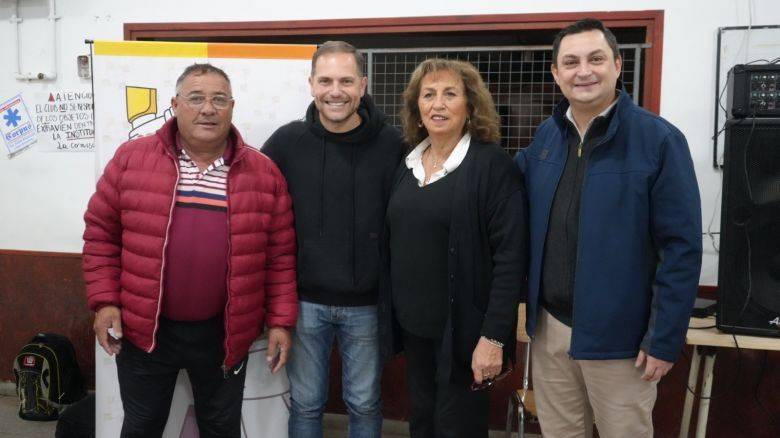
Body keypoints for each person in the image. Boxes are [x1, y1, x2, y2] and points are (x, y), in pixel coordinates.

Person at [82, 63, 298, 438]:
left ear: (232, 107)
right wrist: (104, 302)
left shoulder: (263, 174)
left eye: (219, 99)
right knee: (142, 425)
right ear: (175, 105)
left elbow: (279, 256)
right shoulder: (131, 159)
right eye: (196, 98)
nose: (208, 109)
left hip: (224, 333)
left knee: (220, 427)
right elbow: (100, 233)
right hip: (145, 330)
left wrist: (280, 321)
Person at [516, 18, 702, 437]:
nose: (584, 70)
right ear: (556, 73)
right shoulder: (546, 138)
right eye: (571, 61)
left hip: (623, 344)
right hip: (550, 332)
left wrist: (664, 339)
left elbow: (681, 248)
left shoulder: (659, 140)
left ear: (618, 65)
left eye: (596, 59)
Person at [379, 58, 528, 438]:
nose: (438, 104)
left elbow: (511, 259)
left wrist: (493, 338)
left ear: (471, 105)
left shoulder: (492, 166)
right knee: (424, 422)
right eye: (428, 95)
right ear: (417, 107)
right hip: (415, 329)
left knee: (457, 427)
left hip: (463, 335)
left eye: (450, 94)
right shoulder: (408, 162)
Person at [262, 41, 403, 438]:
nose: (335, 91)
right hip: (304, 305)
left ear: (363, 84)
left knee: (365, 404)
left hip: (368, 305)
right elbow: (257, 208)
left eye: (345, 80)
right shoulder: (286, 143)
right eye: (325, 80)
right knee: (305, 404)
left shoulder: (393, 145)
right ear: (311, 84)